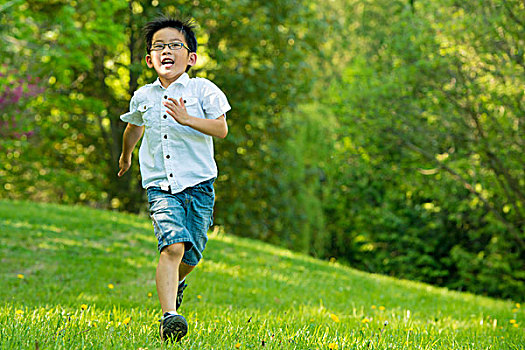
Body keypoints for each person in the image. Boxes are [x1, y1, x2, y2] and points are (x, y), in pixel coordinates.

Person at [117, 16, 231, 342]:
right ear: (150, 59)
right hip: (161, 186)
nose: (166, 51)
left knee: (191, 255)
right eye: (158, 46)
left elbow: (220, 129)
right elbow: (134, 127)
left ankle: (177, 284)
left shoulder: (203, 89)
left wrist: (187, 118)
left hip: (199, 186)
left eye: (174, 45)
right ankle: (170, 317)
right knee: (172, 246)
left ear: (190, 57)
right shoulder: (143, 96)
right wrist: (126, 155)